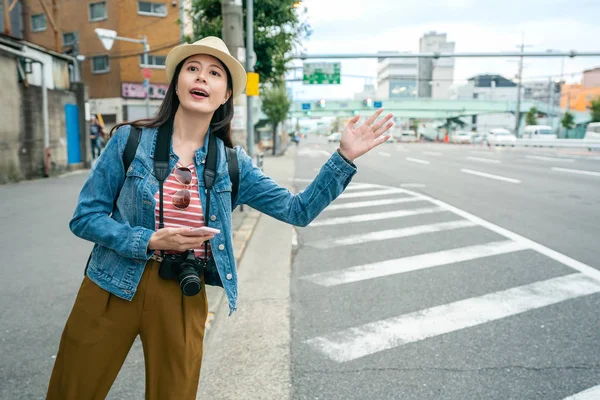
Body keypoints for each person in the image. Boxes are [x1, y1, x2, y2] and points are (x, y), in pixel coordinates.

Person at [46, 36, 393, 400]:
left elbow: (297, 210)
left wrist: (343, 158)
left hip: (180, 289)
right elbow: (85, 217)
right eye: (192, 69)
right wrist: (147, 240)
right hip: (109, 284)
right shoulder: (129, 141)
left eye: (214, 73)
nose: (201, 78)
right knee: (71, 391)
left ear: (226, 94)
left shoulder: (232, 164)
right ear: (178, 82)